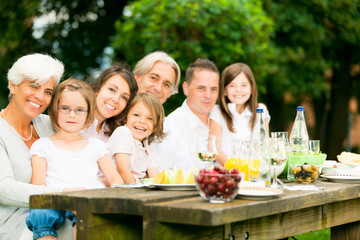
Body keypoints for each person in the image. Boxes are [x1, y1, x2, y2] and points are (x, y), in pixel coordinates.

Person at [25, 78, 124, 240]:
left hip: (85, 203)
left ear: (88, 113)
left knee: (86, 214)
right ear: (55, 110)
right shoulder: (43, 146)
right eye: (65, 108)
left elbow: (115, 179)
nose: (72, 115)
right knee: (40, 212)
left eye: (79, 110)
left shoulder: (96, 146)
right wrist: (67, 201)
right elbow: (37, 188)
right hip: (54, 201)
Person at [0, 53, 73, 240]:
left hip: (61, 215)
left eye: (48, 92)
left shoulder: (51, 125)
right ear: (13, 85)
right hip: (15, 224)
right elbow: (4, 189)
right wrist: (61, 194)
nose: (40, 97)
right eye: (34, 86)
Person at [155, 58, 220, 171]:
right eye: (201, 88)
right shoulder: (171, 125)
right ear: (186, 88)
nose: (208, 95)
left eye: (214, 89)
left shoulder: (224, 116)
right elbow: (161, 173)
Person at [209, 63, 270, 165]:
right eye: (232, 85)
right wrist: (236, 167)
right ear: (224, 90)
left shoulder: (260, 110)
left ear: (251, 88)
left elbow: (265, 145)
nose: (238, 90)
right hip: (226, 171)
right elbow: (214, 148)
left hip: (253, 170)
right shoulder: (217, 112)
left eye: (244, 85)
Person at [107, 92, 166, 183]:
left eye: (150, 118)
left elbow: (155, 178)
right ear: (126, 116)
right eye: (136, 115)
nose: (142, 121)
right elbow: (122, 170)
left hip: (131, 187)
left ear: (156, 125)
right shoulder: (123, 133)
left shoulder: (149, 147)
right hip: (112, 186)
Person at [81, 62, 138, 142]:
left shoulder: (115, 137)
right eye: (112, 89)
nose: (116, 99)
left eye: (124, 97)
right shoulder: (73, 122)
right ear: (98, 89)